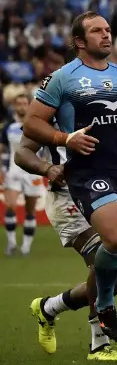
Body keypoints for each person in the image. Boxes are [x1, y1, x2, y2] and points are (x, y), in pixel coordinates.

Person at [22, 11, 117, 363]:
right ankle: (103, 311)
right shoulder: (63, 78)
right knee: (116, 239)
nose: (106, 35)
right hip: (88, 171)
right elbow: (31, 124)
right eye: (96, 31)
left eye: (107, 30)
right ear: (79, 41)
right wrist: (64, 139)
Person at [15, 131, 117, 361]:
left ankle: (48, 308)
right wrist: (47, 168)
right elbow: (21, 152)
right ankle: (99, 345)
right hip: (68, 198)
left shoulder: (104, 108)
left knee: (114, 280)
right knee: (103, 264)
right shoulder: (51, 110)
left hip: (102, 192)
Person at [1, 93, 44, 256]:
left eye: (24, 103)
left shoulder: (37, 125)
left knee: (30, 211)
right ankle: (11, 242)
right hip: (13, 171)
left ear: (29, 105)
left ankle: (26, 246)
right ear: (14, 106)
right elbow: (2, 148)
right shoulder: (8, 126)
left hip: (33, 172)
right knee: (10, 207)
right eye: (18, 103)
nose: (21, 106)